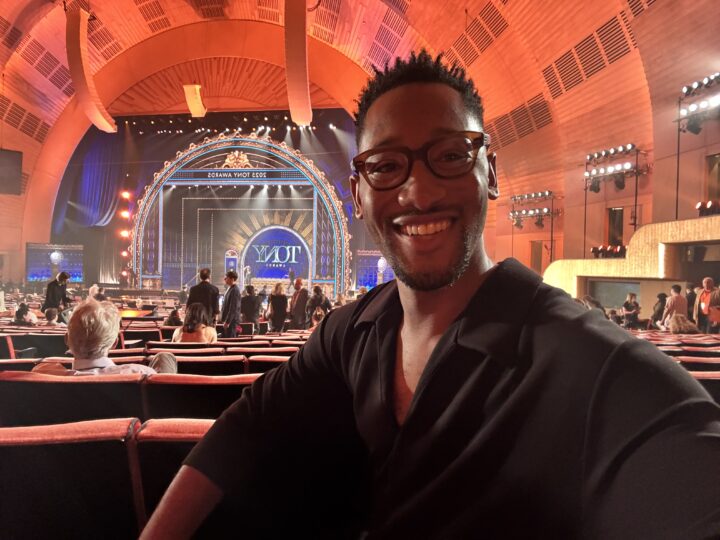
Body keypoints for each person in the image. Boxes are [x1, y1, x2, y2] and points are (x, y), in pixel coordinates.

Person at [143, 51, 720, 538]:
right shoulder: (352, 331)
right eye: (387, 166)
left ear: (490, 171)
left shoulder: (600, 369)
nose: (418, 192)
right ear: (359, 193)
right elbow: (241, 432)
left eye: (449, 155)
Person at [42, 299, 176, 375]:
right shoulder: (139, 373)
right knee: (165, 357)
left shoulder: (44, 375)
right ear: (114, 343)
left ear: (67, 340)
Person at [220, 270, 241, 338]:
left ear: (232, 279)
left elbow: (233, 307)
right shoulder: (230, 288)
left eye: (226, 278)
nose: (224, 279)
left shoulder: (235, 290)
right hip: (228, 320)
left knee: (230, 340)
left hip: (231, 322)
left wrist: (227, 322)